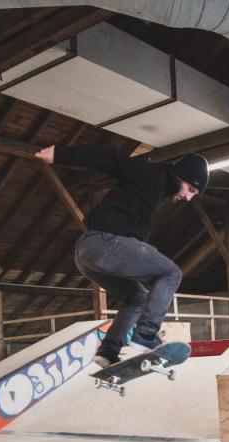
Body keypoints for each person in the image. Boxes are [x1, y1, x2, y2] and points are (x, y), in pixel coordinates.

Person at [34, 144, 209, 368]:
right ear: (181, 176)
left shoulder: (155, 192)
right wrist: (60, 154)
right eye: (190, 190)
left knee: (137, 298)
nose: (187, 198)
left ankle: (108, 351)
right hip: (105, 243)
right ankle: (144, 338)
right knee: (171, 273)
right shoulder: (150, 172)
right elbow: (108, 158)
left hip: (87, 255)